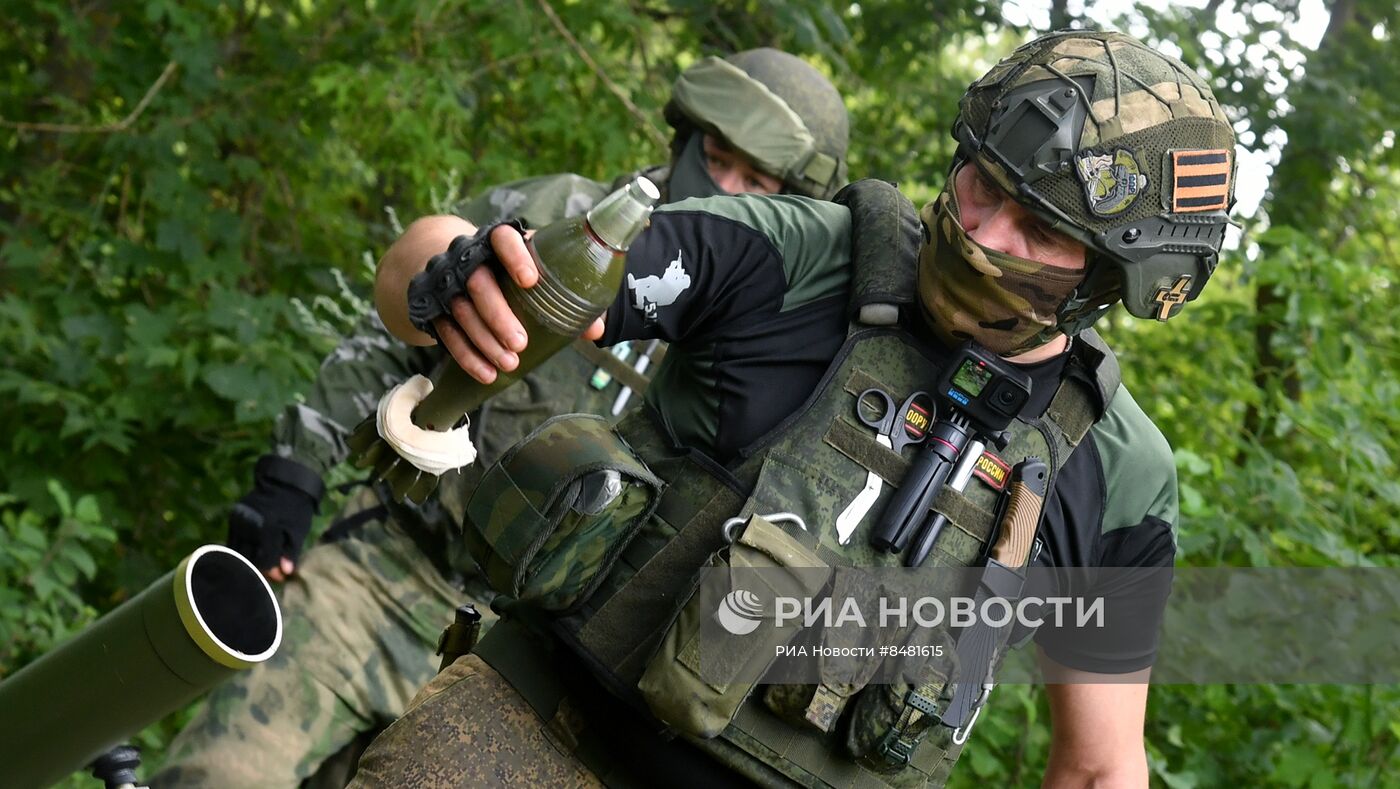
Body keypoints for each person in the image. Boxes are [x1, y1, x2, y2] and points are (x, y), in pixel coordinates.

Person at [352, 30, 1238, 787]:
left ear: (1117, 279)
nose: (984, 233)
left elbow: (1099, 764)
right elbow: (467, 269)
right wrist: (452, 276)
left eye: (1039, 231)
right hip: (525, 739)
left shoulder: (1112, 467)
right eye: (983, 185)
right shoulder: (799, 255)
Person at [152, 48, 850, 788]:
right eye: (716, 159)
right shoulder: (564, 222)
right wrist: (292, 472)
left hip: (525, 670)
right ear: (684, 137)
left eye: (757, 182)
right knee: (215, 773)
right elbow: (403, 313)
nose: (727, 189)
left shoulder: (759, 351)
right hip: (387, 573)